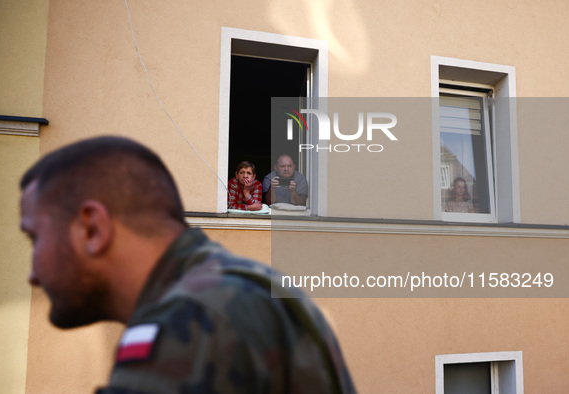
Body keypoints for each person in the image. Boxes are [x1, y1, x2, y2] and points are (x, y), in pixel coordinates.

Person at [19, 136, 355, 393]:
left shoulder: (191, 317)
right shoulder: (246, 287)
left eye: (35, 238)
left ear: (92, 229)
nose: (32, 275)